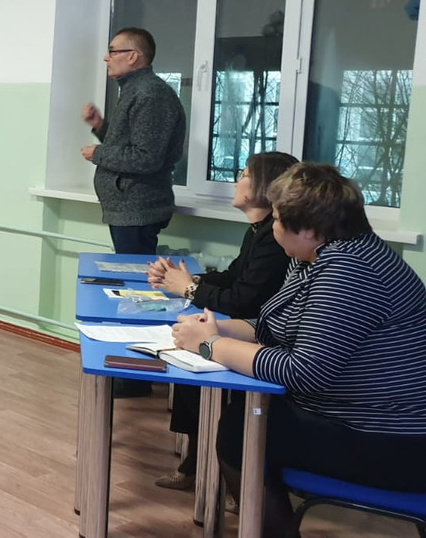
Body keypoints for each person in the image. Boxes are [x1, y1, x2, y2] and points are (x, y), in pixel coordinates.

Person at [171, 163, 426, 537]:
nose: (273, 226)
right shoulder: (318, 257)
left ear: (308, 229)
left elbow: (303, 371)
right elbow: (277, 329)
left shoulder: (348, 271)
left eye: (277, 218)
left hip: (395, 439)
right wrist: (217, 328)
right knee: (248, 416)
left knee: (243, 428)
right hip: (371, 421)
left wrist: (210, 346)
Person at [146, 151, 298, 492]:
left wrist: (188, 288)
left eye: (244, 174)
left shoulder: (275, 241)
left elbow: (243, 299)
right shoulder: (258, 232)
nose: (237, 181)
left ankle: (215, 472)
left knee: (199, 361)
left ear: (266, 187)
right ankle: (196, 459)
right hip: (255, 330)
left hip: (261, 339)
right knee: (188, 353)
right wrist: (185, 281)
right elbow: (233, 277)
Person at [81, 27, 186, 397]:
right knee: (132, 291)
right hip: (128, 207)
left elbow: (146, 158)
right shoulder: (136, 91)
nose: (106, 57)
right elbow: (130, 144)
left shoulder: (151, 94)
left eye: (113, 50)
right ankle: (134, 372)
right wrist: (101, 129)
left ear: (133, 56)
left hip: (139, 208)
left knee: (139, 295)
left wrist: (99, 153)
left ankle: (137, 377)